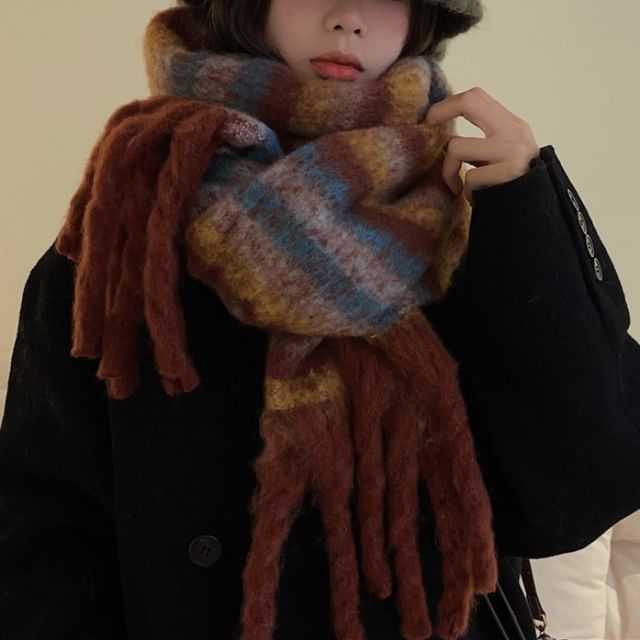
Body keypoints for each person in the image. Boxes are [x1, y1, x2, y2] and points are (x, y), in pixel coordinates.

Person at [1, 1, 638, 639]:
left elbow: (576, 496)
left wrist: (527, 208)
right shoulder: (123, 234)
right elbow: (48, 543)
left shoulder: (468, 214)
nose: (349, 16)